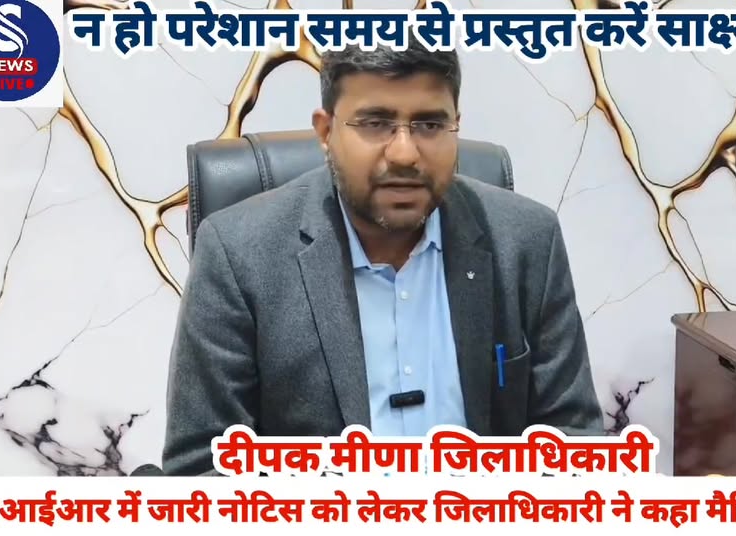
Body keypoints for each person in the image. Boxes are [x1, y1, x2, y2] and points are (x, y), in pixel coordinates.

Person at [161, 35, 604, 476]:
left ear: (456, 126)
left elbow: (573, 442)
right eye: (375, 123)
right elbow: (201, 470)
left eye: (429, 125)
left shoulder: (526, 240)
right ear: (326, 132)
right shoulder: (238, 253)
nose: (405, 153)